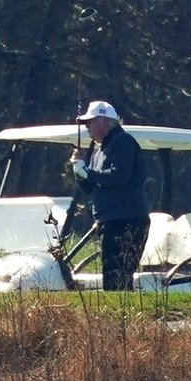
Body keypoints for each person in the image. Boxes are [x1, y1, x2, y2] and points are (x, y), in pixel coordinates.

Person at [69, 100, 150, 291]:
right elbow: (89, 187)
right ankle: (117, 318)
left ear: (105, 121)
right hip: (110, 220)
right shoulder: (98, 149)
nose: (87, 126)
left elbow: (119, 177)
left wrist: (88, 172)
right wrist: (78, 169)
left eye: (91, 121)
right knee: (112, 276)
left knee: (118, 276)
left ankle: (121, 318)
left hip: (127, 220)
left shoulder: (123, 142)